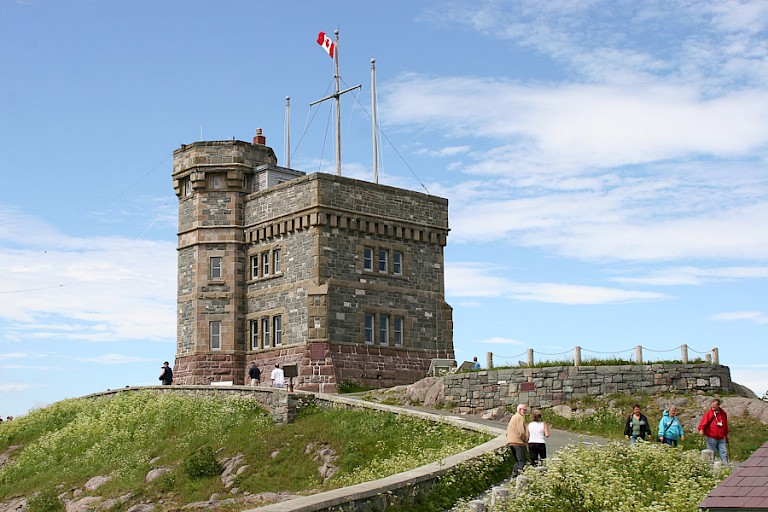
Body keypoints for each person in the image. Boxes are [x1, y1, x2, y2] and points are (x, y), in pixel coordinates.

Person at [698, 398, 729, 463]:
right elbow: (703, 422)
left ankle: (726, 466)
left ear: (718, 405)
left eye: (714, 405)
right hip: (711, 437)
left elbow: (725, 425)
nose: (712, 406)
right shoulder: (709, 413)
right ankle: (710, 466)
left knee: (724, 453)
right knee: (711, 453)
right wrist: (701, 429)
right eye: (712, 405)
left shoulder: (723, 414)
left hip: (721, 437)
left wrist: (726, 434)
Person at [507, 403, 528, 476]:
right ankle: (521, 477)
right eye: (524, 409)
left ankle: (514, 475)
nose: (525, 411)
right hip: (518, 443)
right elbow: (521, 431)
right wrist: (525, 439)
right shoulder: (519, 417)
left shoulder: (513, 417)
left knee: (517, 461)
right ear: (519, 409)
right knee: (522, 461)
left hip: (511, 442)